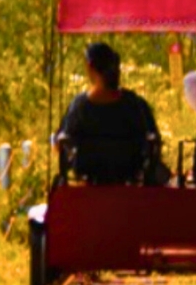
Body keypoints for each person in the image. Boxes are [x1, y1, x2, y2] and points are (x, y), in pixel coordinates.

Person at [57, 42, 167, 184]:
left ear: (90, 67)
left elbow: (63, 141)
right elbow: (153, 139)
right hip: (129, 180)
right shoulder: (135, 104)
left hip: (89, 184)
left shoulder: (79, 107)